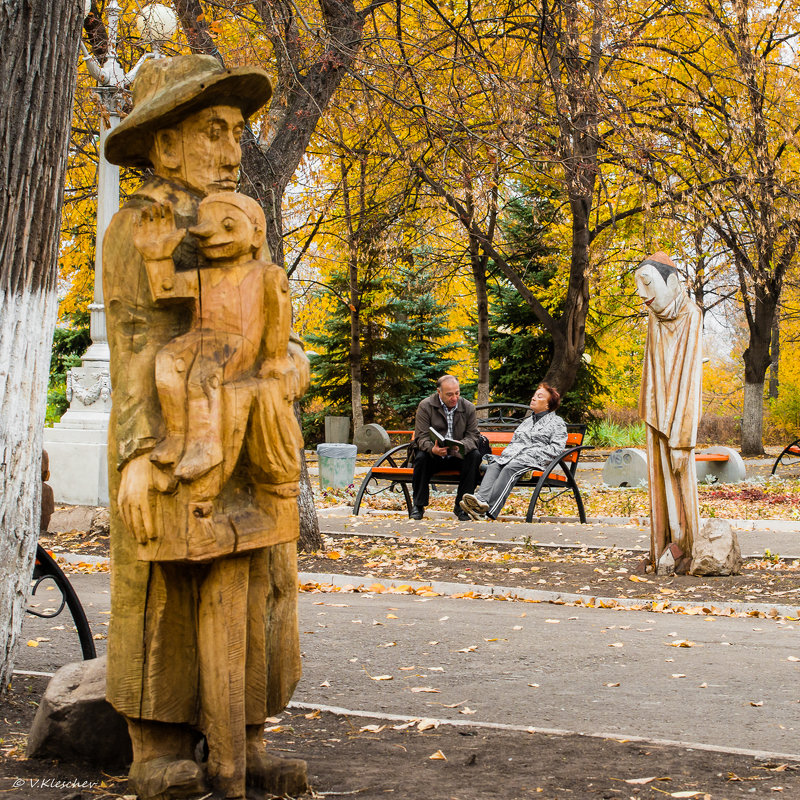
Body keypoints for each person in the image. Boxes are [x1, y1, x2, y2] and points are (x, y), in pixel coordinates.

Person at [103, 55, 308, 800]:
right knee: (162, 597)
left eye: (237, 133)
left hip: (247, 436)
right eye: (213, 132)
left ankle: (243, 738)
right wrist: (135, 453)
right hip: (167, 439)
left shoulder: (241, 226)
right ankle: (156, 749)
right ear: (163, 146)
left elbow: (274, 329)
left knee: (255, 586)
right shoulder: (138, 229)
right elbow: (133, 343)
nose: (231, 152)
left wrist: (288, 374)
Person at [134, 192, 285, 482]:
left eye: (228, 227)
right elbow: (166, 289)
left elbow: (279, 317)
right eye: (206, 229)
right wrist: (158, 257)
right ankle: (177, 436)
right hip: (200, 337)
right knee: (167, 361)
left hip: (240, 343)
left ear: (256, 234)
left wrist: (276, 359)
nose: (213, 236)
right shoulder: (203, 275)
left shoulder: (266, 273)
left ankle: (207, 445)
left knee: (202, 375)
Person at [635, 251, 703, 573]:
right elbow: (652, 372)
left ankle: (688, 548)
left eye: (647, 283)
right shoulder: (654, 319)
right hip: (656, 415)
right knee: (660, 487)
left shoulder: (691, 315)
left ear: (673, 282)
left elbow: (690, 381)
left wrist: (683, 439)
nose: (642, 295)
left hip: (679, 425)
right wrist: (652, 413)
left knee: (682, 484)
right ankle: (661, 548)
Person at [460, 383, 567, 520]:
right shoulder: (527, 422)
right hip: (513, 457)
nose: (533, 398)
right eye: (534, 395)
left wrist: (531, 453)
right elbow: (514, 443)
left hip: (535, 460)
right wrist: (508, 455)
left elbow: (556, 448)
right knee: (494, 465)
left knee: (509, 469)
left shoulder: (557, 422)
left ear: (548, 405)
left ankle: (487, 511)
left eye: (539, 397)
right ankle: (480, 501)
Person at [410, 375, 481, 520]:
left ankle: (462, 506)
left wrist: (461, 446)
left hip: (458, 456)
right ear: (439, 392)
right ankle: (418, 506)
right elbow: (421, 437)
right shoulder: (426, 406)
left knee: (474, 456)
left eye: (457, 393)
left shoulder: (468, 407)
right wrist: (432, 449)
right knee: (421, 457)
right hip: (434, 456)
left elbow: (473, 436)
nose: (454, 397)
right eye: (449, 394)